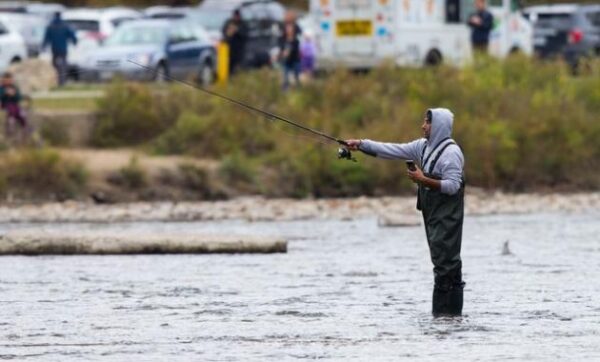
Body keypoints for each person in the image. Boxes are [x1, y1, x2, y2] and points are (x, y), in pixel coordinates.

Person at [345, 108, 466, 317]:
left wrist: (422, 180)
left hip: (447, 216)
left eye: (427, 123)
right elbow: (393, 150)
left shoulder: (451, 154)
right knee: (441, 263)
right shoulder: (422, 147)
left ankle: (448, 317)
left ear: (438, 126)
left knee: (447, 264)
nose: (423, 126)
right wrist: (362, 145)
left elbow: (453, 186)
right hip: (433, 213)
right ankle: (446, 320)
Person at [43, 12, 77, 87]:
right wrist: (75, 42)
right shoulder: (65, 25)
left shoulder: (51, 26)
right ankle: (62, 81)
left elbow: (46, 38)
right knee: (64, 65)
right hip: (63, 49)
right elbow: (72, 35)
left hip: (54, 49)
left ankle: (56, 80)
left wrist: (44, 47)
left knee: (54, 65)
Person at [0, 72, 31, 143]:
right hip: (6, 105)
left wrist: (14, 94)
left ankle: (25, 127)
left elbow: (19, 97)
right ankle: (11, 122)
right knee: (11, 108)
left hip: (15, 105)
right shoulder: (1, 88)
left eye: (9, 80)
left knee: (20, 112)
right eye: (6, 80)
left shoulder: (14, 88)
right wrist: (5, 93)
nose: (8, 81)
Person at [279, 11, 302, 90]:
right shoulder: (283, 28)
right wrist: (282, 51)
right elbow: (280, 41)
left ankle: (298, 89)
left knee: (296, 74)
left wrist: (292, 39)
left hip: (295, 57)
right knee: (285, 74)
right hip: (287, 58)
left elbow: (299, 38)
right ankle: (285, 89)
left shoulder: (296, 28)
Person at [222, 9, 248, 75]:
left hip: (239, 50)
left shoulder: (243, 24)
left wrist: (237, 30)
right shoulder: (229, 22)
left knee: (237, 66)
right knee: (228, 65)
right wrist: (229, 30)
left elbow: (245, 35)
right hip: (229, 49)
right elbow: (224, 32)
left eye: (237, 16)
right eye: (235, 16)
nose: (236, 18)